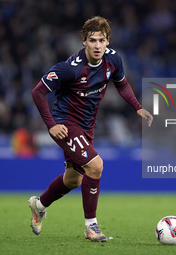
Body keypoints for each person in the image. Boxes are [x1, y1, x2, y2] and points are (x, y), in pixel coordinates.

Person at [28, 16, 153, 242]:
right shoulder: (69, 69)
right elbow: (38, 91)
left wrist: (137, 107)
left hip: (87, 126)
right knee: (95, 166)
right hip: (65, 124)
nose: (97, 45)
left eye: (102, 40)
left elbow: (122, 83)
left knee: (73, 180)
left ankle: (38, 204)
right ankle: (91, 227)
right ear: (84, 41)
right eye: (92, 40)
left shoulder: (113, 59)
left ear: (108, 42)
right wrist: (51, 125)